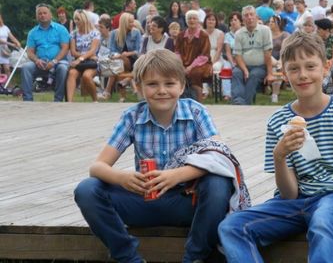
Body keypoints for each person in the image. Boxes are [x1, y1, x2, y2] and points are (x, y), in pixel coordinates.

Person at [218, 31, 333, 262]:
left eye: (310, 66)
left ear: (325, 68)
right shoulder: (279, 121)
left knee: (323, 222)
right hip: (293, 203)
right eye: (294, 69)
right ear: (285, 74)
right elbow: (289, 194)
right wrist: (280, 156)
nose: (303, 75)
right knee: (232, 226)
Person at [74, 49, 234, 263]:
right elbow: (97, 167)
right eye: (152, 84)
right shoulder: (132, 117)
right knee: (86, 189)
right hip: (144, 200)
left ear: (182, 85)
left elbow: (219, 155)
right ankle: (128, 257)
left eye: (169, 84)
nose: (161, 91)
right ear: (138, 87)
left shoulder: (196, 112)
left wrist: (177, 175)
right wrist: (123, 179)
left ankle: (195, 256)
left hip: (187, 202)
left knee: (218, 183)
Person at [21, 3, 70, 102]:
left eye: (45, 13)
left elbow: (65, 48)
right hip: (40, 63)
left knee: (63, 69)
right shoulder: (32, 33)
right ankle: (28, 100)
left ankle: (58, 99)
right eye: (40, 14)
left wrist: (54, 61)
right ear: (36, 16)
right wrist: (36, 60)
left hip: (58, 62)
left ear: (50, 15)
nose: (42, 15)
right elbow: (30, 52)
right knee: (26, 67)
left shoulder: (61, 29)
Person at [231, 5, 273, 105]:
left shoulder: (265, 30)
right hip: (243, 66)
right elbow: (238, 55)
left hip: (260, 66)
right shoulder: (239, 34)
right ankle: (238, 101)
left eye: (251, 14)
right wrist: (245, 70)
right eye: (246, 15)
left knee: (254, 75)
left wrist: (270, 73)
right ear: (243, 19)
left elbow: (268, 53)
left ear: (256, 16)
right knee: (236, 73)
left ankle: (245, 103)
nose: (249, 17)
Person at [102, 12, 142, 102]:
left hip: (133, 60)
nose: (133, 24)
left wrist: (127, 54)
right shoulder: (114, 33)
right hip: (119, 60)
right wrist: (117, 55)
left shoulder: (136, 33)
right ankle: (121, 96)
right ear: (124, 23)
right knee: (119, 65)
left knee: (119, 64)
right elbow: (111, 50)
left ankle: (108, 91)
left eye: (133, 22)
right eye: (130, 22)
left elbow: (138, 50)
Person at [176, 9, 212, 102]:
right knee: (176, 72)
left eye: (194, 18)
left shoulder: (203, 35)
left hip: (201, 63)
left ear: (198, 21)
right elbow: (177, 52)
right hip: (183, 63)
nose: (192, 20)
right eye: (189, 18)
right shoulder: (181, 35)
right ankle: (180, 100)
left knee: (194, 73)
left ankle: (199, 102)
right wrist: (180, 65)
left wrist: (190, 67)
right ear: (186, 20)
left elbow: (204, 56)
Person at [66, 10, 101, 102]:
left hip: (91, 63)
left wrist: (81, 58)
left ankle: (95, 99)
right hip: (81, 61)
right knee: (72, 73)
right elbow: (73, 52)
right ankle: (69, 101)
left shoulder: (95, 33)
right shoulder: (73, 34)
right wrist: (87, 56)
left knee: (86, 76)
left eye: (78, 19)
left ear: (85, 20)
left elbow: (93, 50)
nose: (76, 21)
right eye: (75, 19)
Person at [204, 13, 229, 100]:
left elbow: (219, 50)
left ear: (216, 22)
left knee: (215, 67)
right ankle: (205, 92)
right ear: (205, 21)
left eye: (213, 20)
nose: (211, 21)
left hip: (216, 57)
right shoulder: (201, 33)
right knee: (201, 67)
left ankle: (217, 91)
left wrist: (211, 63)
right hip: (204, 56)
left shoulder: (220, 33)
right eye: (209, 19)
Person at [314, 18, 333, 95]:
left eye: (319, 28)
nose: (317, 30)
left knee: (327, 72)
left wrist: (326, 65)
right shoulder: (314, 39)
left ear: (327, 30)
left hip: (331, 64)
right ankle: (329, 94)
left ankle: (321, 89)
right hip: (317, 64)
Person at [268, 15, 289, 103]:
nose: (270, 23)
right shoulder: (267, 34)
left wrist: (280, 61)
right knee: (275, 66)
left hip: (282, 58)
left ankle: (275, 94)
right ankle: (274, 93)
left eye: (272, 22)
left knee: (277, 68)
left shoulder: (285, 35)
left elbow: (284, 50)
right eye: (270, 22)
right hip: (269, 58)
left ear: (278, 23)